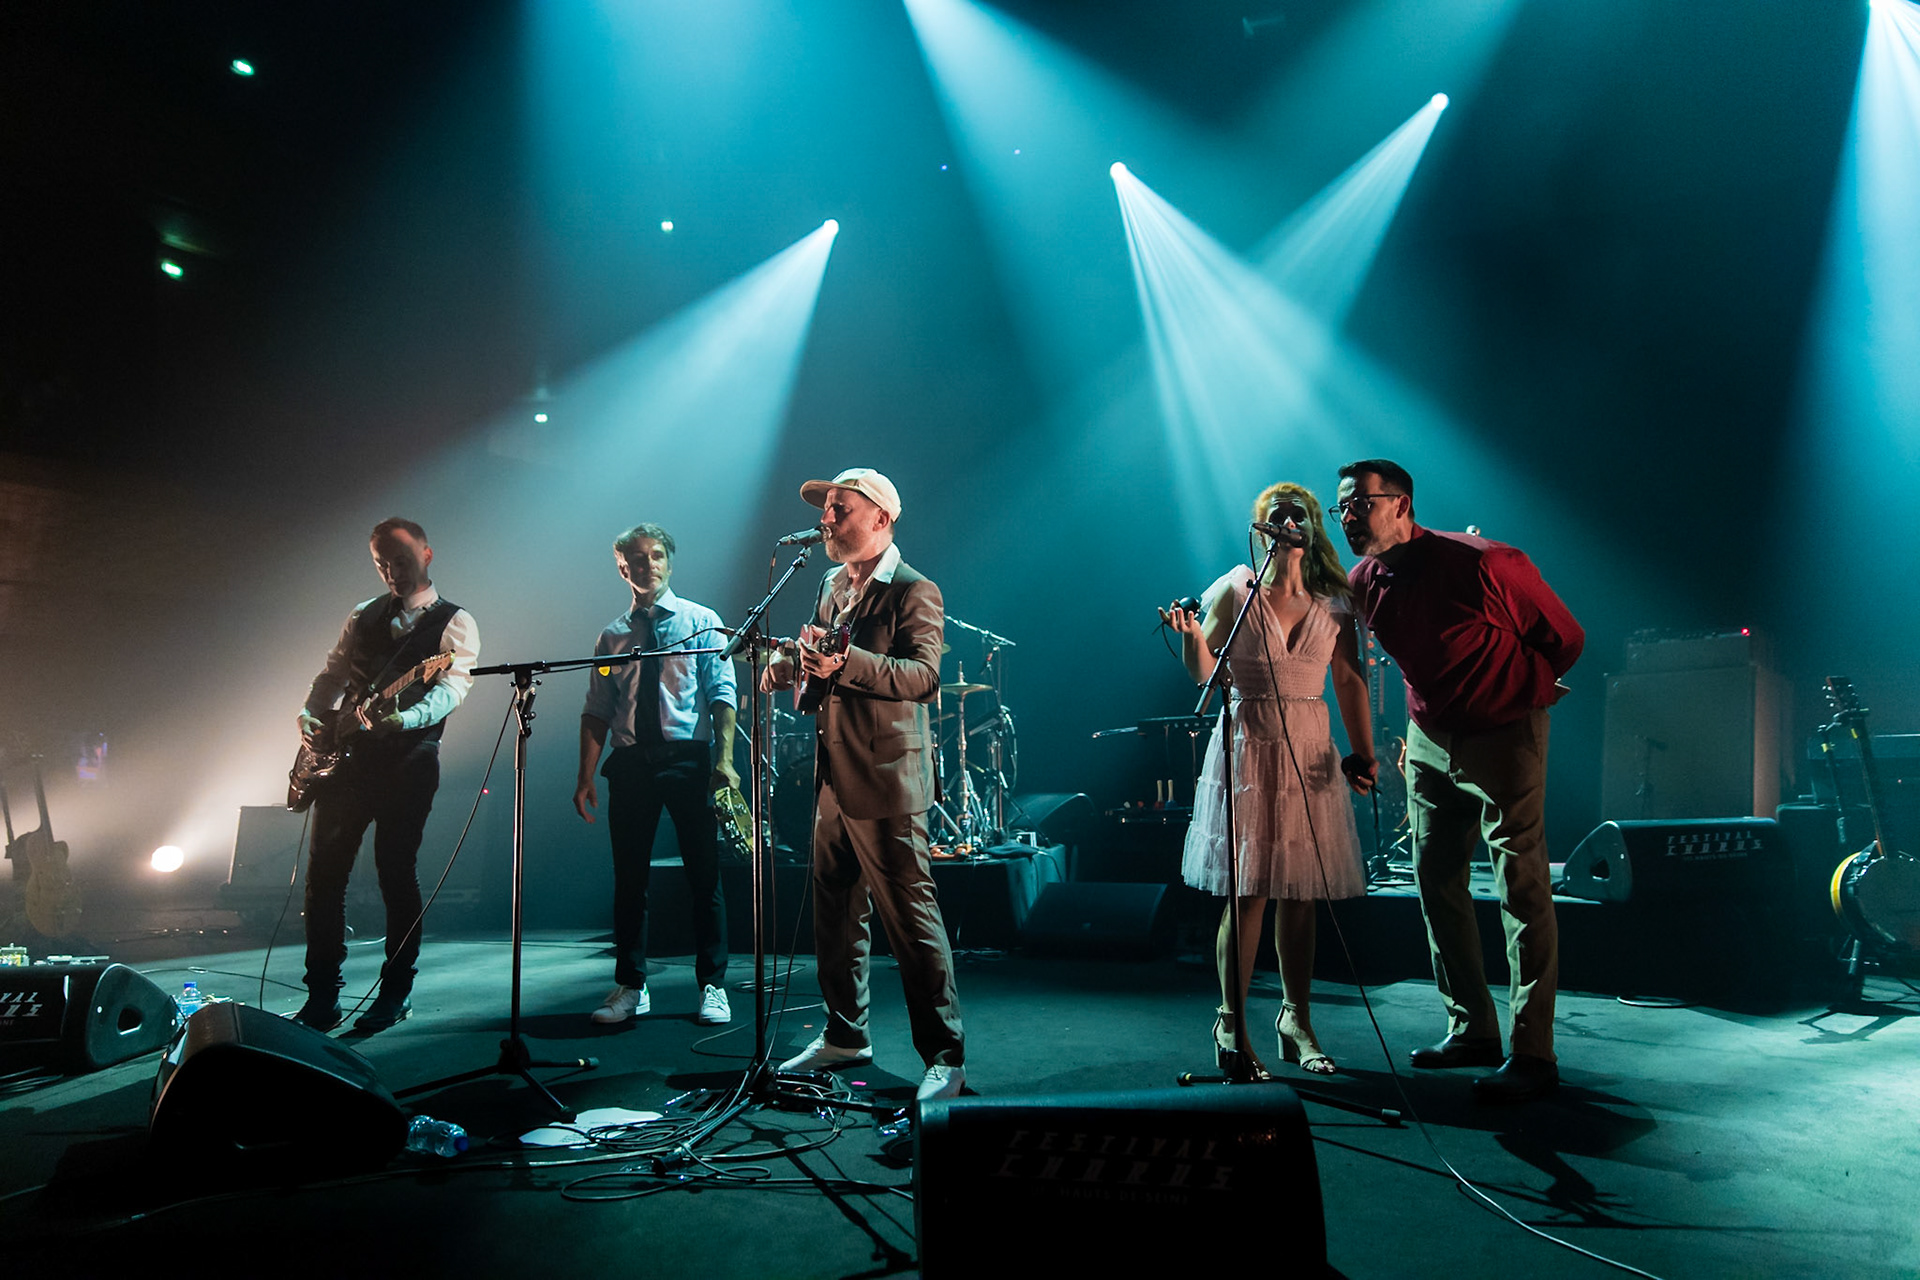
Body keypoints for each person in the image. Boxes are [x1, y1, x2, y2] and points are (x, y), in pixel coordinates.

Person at [1335, 459, 1584, 1103]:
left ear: (1402, 505)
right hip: (1429, 739)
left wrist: (1522, 689)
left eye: (1360, 504)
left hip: (1504, 729)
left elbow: (1565, 638)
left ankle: (1533, 1051)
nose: (1347, 517)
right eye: (1342, 507)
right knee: (1435, 879)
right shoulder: (1365, 581)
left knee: (1521, 884)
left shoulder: (1485, 563)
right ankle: (1471, 1028)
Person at [764, 467, 966, 1104]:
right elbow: (824, 666)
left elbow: (922, 678)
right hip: (835, 775)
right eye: (826, 508)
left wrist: (846, 662)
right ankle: (846, 1034)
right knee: (835, 912)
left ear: (880, 518)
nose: (826, 518)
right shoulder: (828, 583)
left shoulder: (914, 590)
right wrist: (791, 665)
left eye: (839, 508)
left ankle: (946, 1055)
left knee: (911, 921)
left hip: (887, 779)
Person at [1163, 483, 1376, 1077]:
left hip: (1308, 745)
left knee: (1300, 892)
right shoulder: (1235, 589)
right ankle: (1231, 1022)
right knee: (1248, 889)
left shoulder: (1335, 600)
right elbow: (1207, 672)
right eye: (1276, 514)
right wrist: (1188, 642)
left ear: (1312, 527)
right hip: (1248, 744)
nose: (1289, 521)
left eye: (1299, 513)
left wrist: (1362, 753)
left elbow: (1351, 680)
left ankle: (1296, 1019)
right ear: (1262, 529)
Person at [295, 517, 479, 1033]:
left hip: (408, 761)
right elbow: (332, 674)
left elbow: (451, 689)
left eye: (400, 560)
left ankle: (395, 992)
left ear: (427, 554)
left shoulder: (455, 622)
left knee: (394, 874)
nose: (390, 571)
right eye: (381, 562)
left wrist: (407, 717)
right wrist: (311, 712)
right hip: (345, 762)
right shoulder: (363, 614)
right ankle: (322, 996)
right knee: (323, 878)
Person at [575, 523, 739, 1027]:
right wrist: (584, 776)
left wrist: (724, 760)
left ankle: (712, 984)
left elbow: (722, 693)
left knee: (702, 877)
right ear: (622, 567)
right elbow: (598, 709)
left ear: (670, 562)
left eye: (656, 556)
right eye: (636, 558)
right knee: (629, 880)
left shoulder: (701, 620)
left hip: (687, 759)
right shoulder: (612, 636)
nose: (647, 565)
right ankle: (631, 985)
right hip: (629, 764)